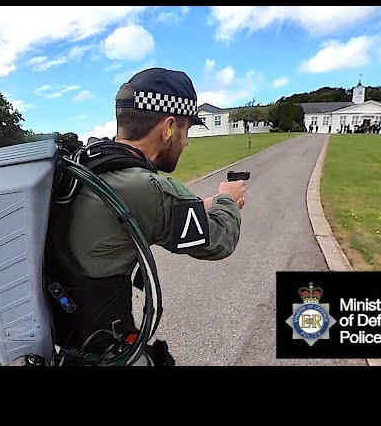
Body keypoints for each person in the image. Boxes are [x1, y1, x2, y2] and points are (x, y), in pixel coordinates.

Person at [44, 67, 246, 365]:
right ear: (168, 127)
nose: (186, 141)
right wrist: (227, 199)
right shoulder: (145, 188)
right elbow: (219, 240)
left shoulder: (88, 167)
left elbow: (140, 217)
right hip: (106, 353)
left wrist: (204, 204)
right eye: (186, 129)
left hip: (69, 340)